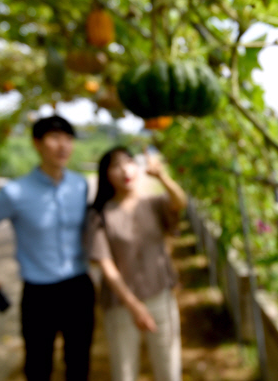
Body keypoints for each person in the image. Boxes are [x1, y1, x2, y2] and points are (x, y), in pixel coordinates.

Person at [0, 116, 94, 381]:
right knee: (37, 366)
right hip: (39, 293)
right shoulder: (16, 192)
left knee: (79, 364)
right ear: (37, 143)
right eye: (54, 138)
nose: (63, 146)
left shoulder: (79, 186)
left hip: (79, 288)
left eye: (68, 139)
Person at [86, 146, 186, 381]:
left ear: (137, 167)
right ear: (106, 175)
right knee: (124, 373)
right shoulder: (99, 214)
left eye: (128, 162)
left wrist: (162, 176)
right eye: (115, 165)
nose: (124, 170)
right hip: (120, 304)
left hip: (160, 296)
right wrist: (134, 306)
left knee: (169, 370)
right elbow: (106, 265)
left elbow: (180, 202)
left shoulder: (152, 203)